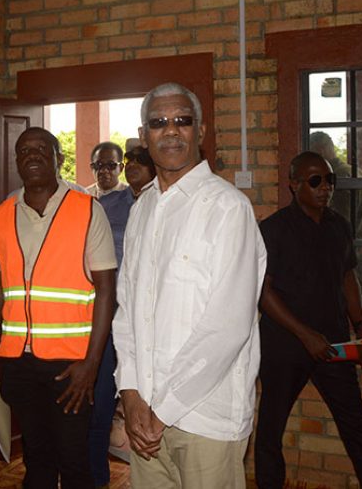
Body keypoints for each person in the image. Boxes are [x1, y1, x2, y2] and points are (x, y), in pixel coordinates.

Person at [112, 82, 267, 488]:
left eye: (182, 120)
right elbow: (127, 310)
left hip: (205, 417)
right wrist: (130, 395)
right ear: (144, 137)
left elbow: (227, 328)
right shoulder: (142, 208)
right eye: (159, 123)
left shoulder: (228, 208)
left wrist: (161, 412)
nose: (171, 131)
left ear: (201, 131)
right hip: (145, 415)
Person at [0, 127, 117, 488]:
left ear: (60, 158)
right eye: (24, 150)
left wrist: (92, 364)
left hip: (71, 366)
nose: (32, 155)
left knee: (73, 461)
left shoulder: (87, 210)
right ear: (17, 161)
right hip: (17, 364)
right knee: (36, 461)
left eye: (42, 148)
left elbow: (106, 289)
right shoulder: (2, 214)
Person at [254, 151, 362, 489]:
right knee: (270, 431)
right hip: (284, 346)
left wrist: (361, 328)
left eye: (329, 180)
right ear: (294, 184)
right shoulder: (272, 230)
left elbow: (348, 279)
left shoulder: (339, 226)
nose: (325, 187)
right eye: (315, 180)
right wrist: (304, 335)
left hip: (333, 345)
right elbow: (263, 292)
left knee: (356, 426)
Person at [89, 144, 156, 485]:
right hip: (109, 312)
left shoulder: (163, 206)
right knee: (101, 397)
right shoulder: (106, 205)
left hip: (151, 319)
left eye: (138, 163)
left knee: (146, 398)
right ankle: (98, 475)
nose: (130, 168)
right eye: (127, 163)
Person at [310, 131, 362, 297]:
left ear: (320, 151)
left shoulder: (336, 179)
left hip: (358, 263)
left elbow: (338, 227)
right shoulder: (355, 172)